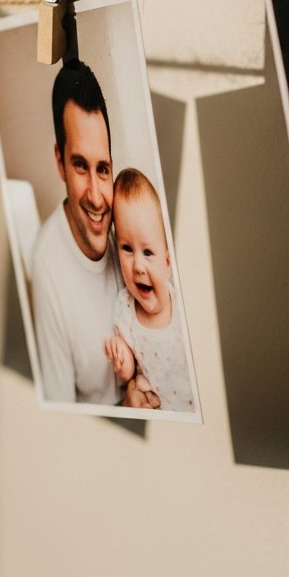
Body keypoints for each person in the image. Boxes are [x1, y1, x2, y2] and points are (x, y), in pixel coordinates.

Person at [30, 58, 159, 408]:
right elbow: (62, 419)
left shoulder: (128, 228)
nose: (97, 197)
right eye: (79, 166)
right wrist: (128, 410)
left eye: (103, 169)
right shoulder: (47, 268)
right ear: (60, 162)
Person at [103, 169, 195, 412]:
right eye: (127, 248)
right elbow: (128, 373)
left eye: (147, 252)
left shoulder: (181, 304)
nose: (137, 266)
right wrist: (120, 356)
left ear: (167, 263)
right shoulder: (125, 308)